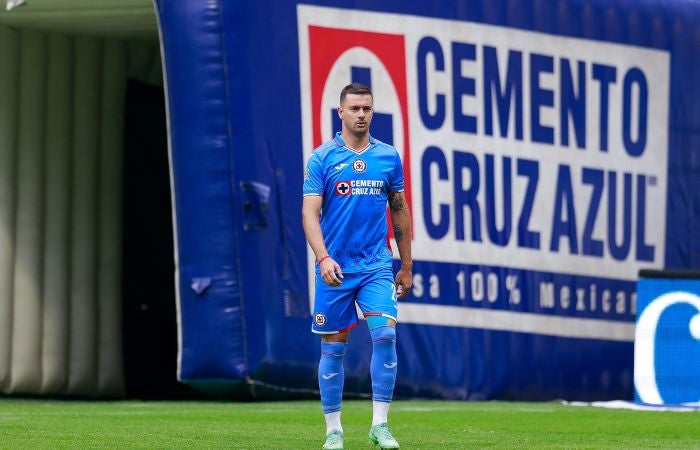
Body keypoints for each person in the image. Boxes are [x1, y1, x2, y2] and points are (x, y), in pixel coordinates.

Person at [302, 82, 412, 450]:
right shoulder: (322, 158)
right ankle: (333, 430)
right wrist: (323, 257)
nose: (361, 114)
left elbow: (399, 209)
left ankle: (380, 426)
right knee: (334, 348)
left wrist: (406, 263)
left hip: (376, 265)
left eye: (367, 108)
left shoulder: (388, 157)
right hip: (335, 267)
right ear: (341, 112)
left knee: (385, 335)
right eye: (354, 109)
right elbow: (309, 213)